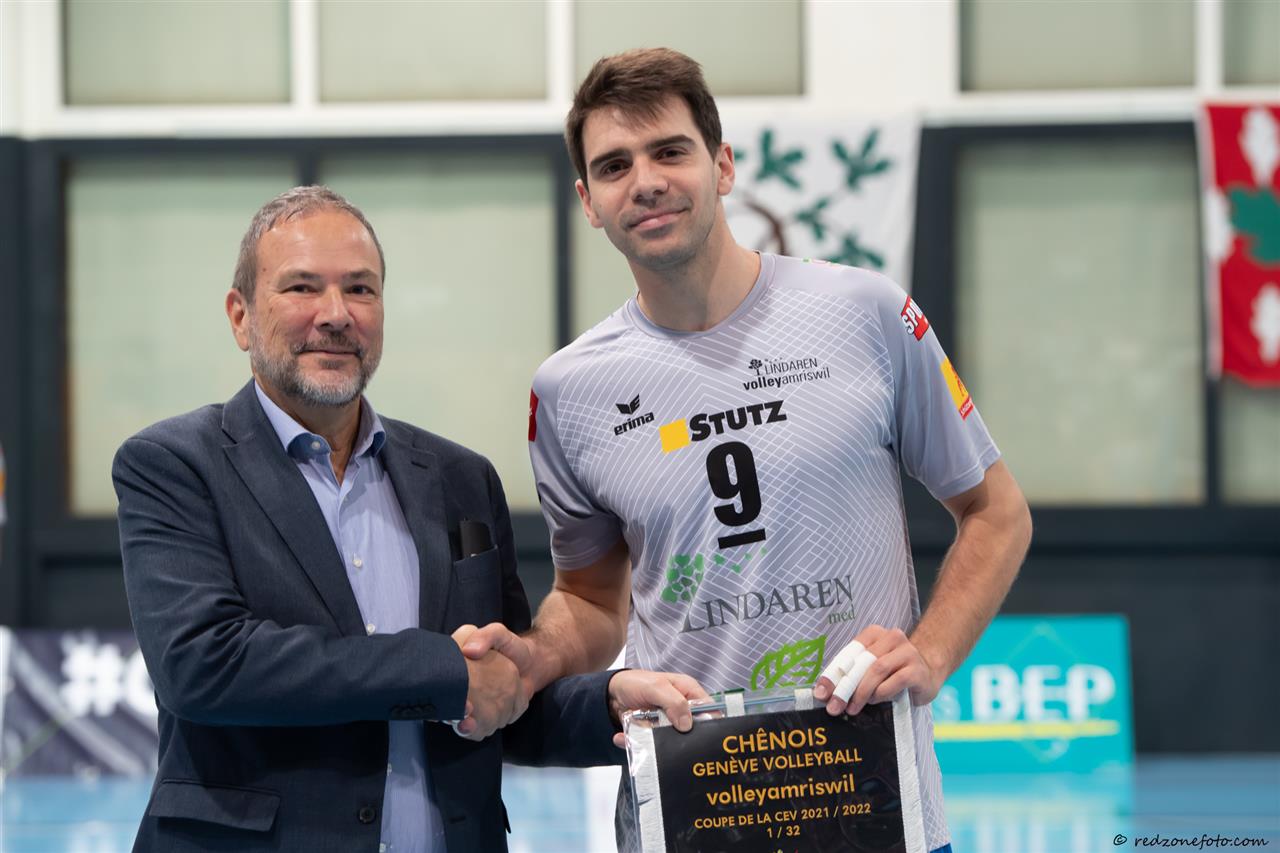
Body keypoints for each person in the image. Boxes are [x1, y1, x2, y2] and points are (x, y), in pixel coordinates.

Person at [463, 48, 1032, 853]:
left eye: (670, 151)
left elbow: (996, 511)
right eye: (615, 166)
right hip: (691, 807)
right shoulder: (568, 391)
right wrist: (531, 657)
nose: (646, 181)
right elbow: (591, 597)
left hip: (872, 804)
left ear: (723, 165)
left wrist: (932, 655)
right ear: (588, 201)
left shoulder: (865, 313)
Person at [113, 185, 705, 853]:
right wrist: (448, 673)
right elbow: (204, 663)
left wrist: (610, 702)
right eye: (302, 287)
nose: (336, 315)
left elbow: (500, 693)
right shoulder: (173, 464)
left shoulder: (460, 478)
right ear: (240, 316)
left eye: (360, 289)